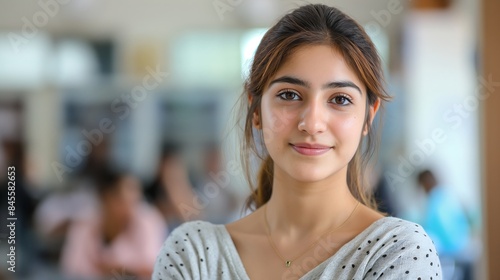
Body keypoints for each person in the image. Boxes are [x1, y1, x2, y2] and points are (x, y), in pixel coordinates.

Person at [153, 4, 442, 279]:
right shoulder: (192, 254)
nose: (312, 123)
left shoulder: (397, 251)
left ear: (368, 116)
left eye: (340, 99)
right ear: (256, 110)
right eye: (289, 95)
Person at [61, 171, 166, 279]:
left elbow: (152, 269)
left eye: (135, 200)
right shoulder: (84, 222)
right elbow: (72, 268)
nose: (129, 208)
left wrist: (119, 269)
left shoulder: (148, 221)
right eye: (122, 200)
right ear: (104, 198)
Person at [417, 170, 473, 280]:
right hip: (465, 250)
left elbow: (443, 235)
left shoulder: (434, 202)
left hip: (453, 256)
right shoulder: (447, 194)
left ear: (425, 183)